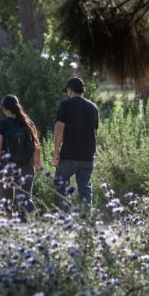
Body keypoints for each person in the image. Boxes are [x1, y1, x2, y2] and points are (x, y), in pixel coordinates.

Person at [0, 94, 41, 214]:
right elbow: (37, 146)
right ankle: (31, 224)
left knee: (6, 201)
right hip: (27, 166)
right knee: (24, 199)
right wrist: (37, 164)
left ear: (6, 109)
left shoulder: (3, 124)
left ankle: (10, 228)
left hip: (7, 167)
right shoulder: (28, 123)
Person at [53, 77, 99, 205]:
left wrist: (56, 152)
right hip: (87, 157)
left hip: (69, 156)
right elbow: (95, 133)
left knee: (61, 188)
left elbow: (59, 129)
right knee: (85, 190)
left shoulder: (65, 105)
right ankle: (86, 221)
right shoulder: (93, 107)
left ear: (70, 90)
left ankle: (66, 219)